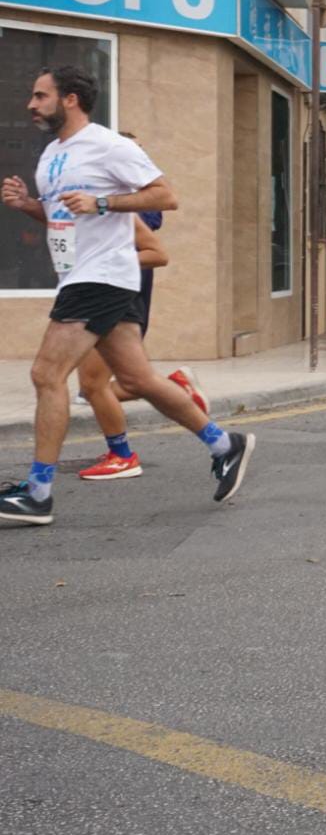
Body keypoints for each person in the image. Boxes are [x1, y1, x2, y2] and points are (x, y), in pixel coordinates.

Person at [1, 67, 253, 524]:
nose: (31, 105)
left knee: (46, 374)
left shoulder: (108, 145)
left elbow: (165, 196)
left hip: (100, 276)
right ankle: (223, 443)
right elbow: (64, 222)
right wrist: (27, 207)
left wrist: (104, 202)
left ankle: (38, 493)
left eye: (40, 96)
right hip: (81, 272)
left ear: (71, 99)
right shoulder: (52, 155)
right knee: (137, 380)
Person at [73, 214, 211, 481]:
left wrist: (102, 206)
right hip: (97, 290)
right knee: (93, 386)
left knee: (91, 385)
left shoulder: (125, 184)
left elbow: (151, 228)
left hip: (116, 292)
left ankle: (123, 456)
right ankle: (178, 394)